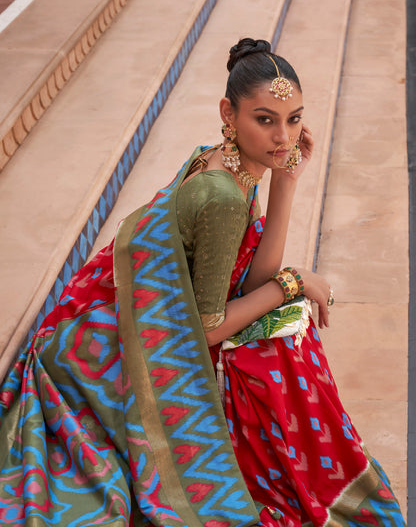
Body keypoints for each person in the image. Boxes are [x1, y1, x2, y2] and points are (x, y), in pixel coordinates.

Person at [0, 38, 405, 526]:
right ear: (228, 114)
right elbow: (209, 326)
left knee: (281, 317)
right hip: (110, 359)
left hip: (117, 321)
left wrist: (288, 181)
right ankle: (310, 477)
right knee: (283, 339)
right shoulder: (223, 195)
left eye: (294, 118)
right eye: (266, 119)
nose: (284, 136)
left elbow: (246, 277)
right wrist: (293, 282)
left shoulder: (224, 158)